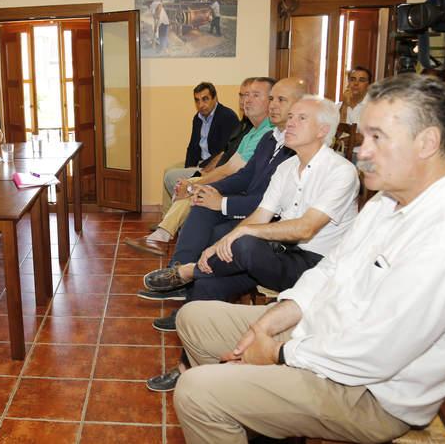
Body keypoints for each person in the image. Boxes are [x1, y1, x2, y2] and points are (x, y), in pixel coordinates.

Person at [173, 74, 445, 444]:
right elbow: (332, 268)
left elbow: (375, 353)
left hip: (367, 390)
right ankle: (250, 412)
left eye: (376, 138)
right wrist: (277, 316)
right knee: (194, 317)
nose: (362, 151)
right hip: (323, 332)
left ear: (427, 142)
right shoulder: (390, 199)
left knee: (196, 391)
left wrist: (277, 351)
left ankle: (232, 397)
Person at [144, 95, 358, 392]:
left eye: (301, 118)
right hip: (275, 257)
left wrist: (240, 237)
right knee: (211, 281)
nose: (290, 123)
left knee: (244, 245)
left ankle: (190, 270)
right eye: (291, 116)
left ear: (323, 130)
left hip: (314, 267)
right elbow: (261, 214)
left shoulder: (341, 171)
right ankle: (186, 367)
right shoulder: (286, 168)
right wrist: (223, 242)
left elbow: (306, 227)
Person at [126, 77, 290, 256]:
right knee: (184, 181)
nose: (245, 101)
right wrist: (194, 181)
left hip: (243, 194)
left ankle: (163, 235)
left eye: (255, 95)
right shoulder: (254, 131)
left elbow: (231, 169)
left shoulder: (265, 132)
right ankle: (167, 230)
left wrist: (197, 182)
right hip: (224, 176)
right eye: (243, 95)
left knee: (194, 190)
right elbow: (221, 160)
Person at [159, 82, 240, 214]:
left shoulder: (227, 117)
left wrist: (198, 171)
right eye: (197, 100)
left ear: (215, 98)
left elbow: (224, 152)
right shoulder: (198, 118)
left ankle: (179, 216)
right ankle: (166, 216)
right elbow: (193, 147)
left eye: (205, 99)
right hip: (200, 161)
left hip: (212, 166)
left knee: (171, 176)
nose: (201, 104)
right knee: (168, 171)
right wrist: (188, 168)